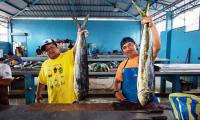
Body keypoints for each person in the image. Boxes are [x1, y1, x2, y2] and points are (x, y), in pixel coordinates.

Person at [114, 16, 161, 103]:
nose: (128, 48)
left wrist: (152, 26)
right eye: (124, 47)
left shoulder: (145, 58)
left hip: (148, 101)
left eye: (130, 45)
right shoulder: (122, 65)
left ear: (136, 45)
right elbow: (117, 81)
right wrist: (116, 92)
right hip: (129, 102)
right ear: (123, 51)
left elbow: (157, 47)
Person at [36, 28, 88, 104]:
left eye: (51, 47)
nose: (50, 50)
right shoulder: (45, 64)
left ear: (57, 47)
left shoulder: (67, 56)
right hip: (53, 102)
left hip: (71, 102)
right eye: (47, 50)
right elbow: (41, 80)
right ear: (45, 53)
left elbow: (76, 48)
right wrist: (38, 93)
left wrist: (79, 35)